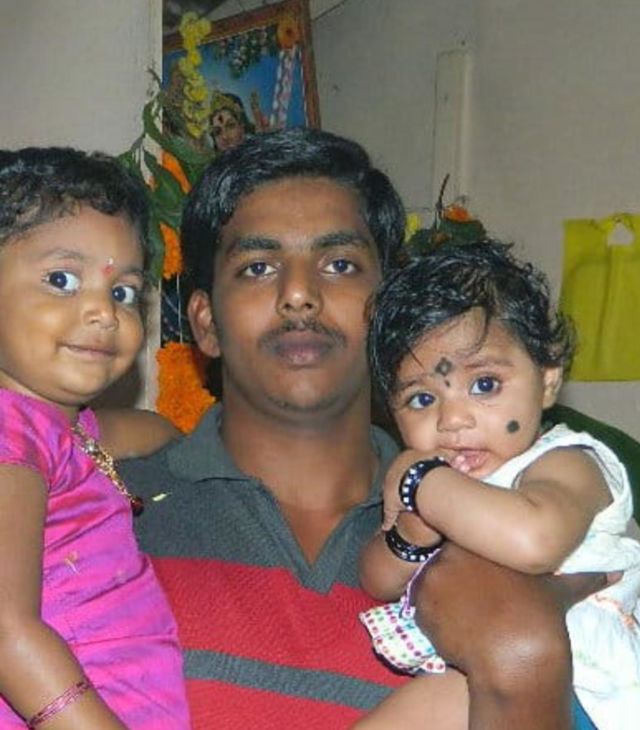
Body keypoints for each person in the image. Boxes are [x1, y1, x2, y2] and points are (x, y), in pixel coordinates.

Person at [120, 127, 604, 729]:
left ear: (395, 319)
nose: (299, 295)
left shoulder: (511, 517)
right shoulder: (102, 512)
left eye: (340, 264)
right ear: (205, 322)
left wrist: (527, 661)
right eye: (258, 267)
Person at [358, 241, 640, 729]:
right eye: (422, 399)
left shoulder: (568, 461)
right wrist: (410, 531)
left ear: (547, 381)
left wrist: (421, 482)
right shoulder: (446, 484)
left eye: (484, 385)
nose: (452, 420)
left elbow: (534, 542)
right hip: (476, 679)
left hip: (585, 690)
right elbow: (377, 579)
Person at [0, 147, 190, 728]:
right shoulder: (11, 437)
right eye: (62, 280)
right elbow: (6, 628)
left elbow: (147, 430)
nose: (103, 313)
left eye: (123, 292)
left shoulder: (65, 429)